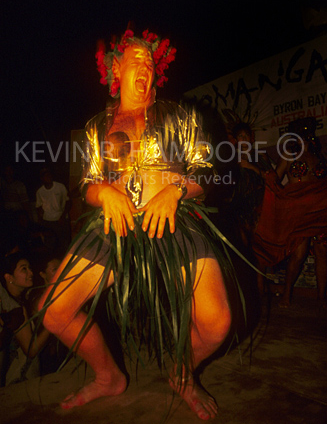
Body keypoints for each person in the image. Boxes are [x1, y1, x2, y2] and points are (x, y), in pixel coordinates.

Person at [38, 29, 242, 421]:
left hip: (175, 221)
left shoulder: (179, 116)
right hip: (114, 226)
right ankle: (108, 377)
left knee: (217, 323)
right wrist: (104, 194)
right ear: (117, 68)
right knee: (53, 311)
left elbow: (206, 171)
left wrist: (176, 189)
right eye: (136, 60)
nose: (145, 66)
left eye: (150, 62)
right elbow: (86, 184)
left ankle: (182, 374)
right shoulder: (97, 125)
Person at [253, 117, 327, 308]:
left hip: (319, 212)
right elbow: (276, 179)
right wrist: (265, 175)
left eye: (307, 135)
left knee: (322, 251)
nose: (304, 139)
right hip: (299, 214)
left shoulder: (319, 157)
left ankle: (320, 297)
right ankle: (286, 294)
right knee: (299, 254)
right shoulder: (289, 155)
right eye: (300, 135)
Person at [0, 250, 50, 385]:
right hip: (17, 382)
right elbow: (31, 350)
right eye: (24, 269)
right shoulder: (13, 308)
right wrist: (53, 323)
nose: (30, 273)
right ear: (9, 277)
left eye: (29, 268)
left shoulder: (20, 301)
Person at [35, 168, 71, 253]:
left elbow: (68, 202)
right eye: (46, 176)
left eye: (49, 175)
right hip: (47, 221)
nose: (48, 177)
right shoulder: (40, 191)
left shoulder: (60, 187)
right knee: (49, 245)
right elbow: (39, 206)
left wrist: (63, 216)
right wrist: (40, 219)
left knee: (64, 244)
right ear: (42, 178)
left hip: (60, 220)